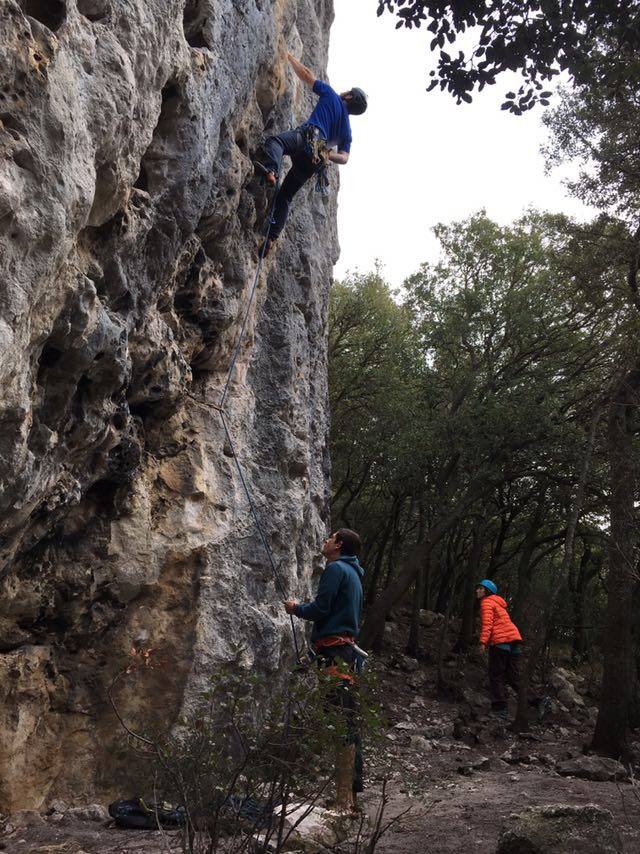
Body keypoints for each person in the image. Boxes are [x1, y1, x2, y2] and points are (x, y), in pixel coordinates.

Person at [284, 528, 365, 812]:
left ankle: (345, 800)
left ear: (338, 545)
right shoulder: (355, 574)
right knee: (347, 720)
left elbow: (321, 608)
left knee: (341, 722)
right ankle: (351, 797)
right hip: (345, 652)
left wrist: (296, 608)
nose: (325, 541)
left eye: (329, 538)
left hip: (334, 652)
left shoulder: (335, 569)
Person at [255, 52, 367, 256]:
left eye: (348, 91)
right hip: (315, 160)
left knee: (276, 142)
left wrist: (287, 56)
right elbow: (344, 158)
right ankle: (271, 236)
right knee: (286, 196)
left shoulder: (331, 95)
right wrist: (326, 152)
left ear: (349, 96)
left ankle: (271, 171)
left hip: (306, 138)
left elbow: (307, 75)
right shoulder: (347, 131)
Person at [476, 579, 550, 722]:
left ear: (487, 591)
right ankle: (538, 700)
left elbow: (487, 624)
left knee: (496, 676)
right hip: (514, 640)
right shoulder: (499, 604)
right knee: (513, 677)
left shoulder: (487, 603)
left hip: (501, 642)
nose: (477, 591)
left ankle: (500, 710)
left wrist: (482, 642)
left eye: (480, 588)